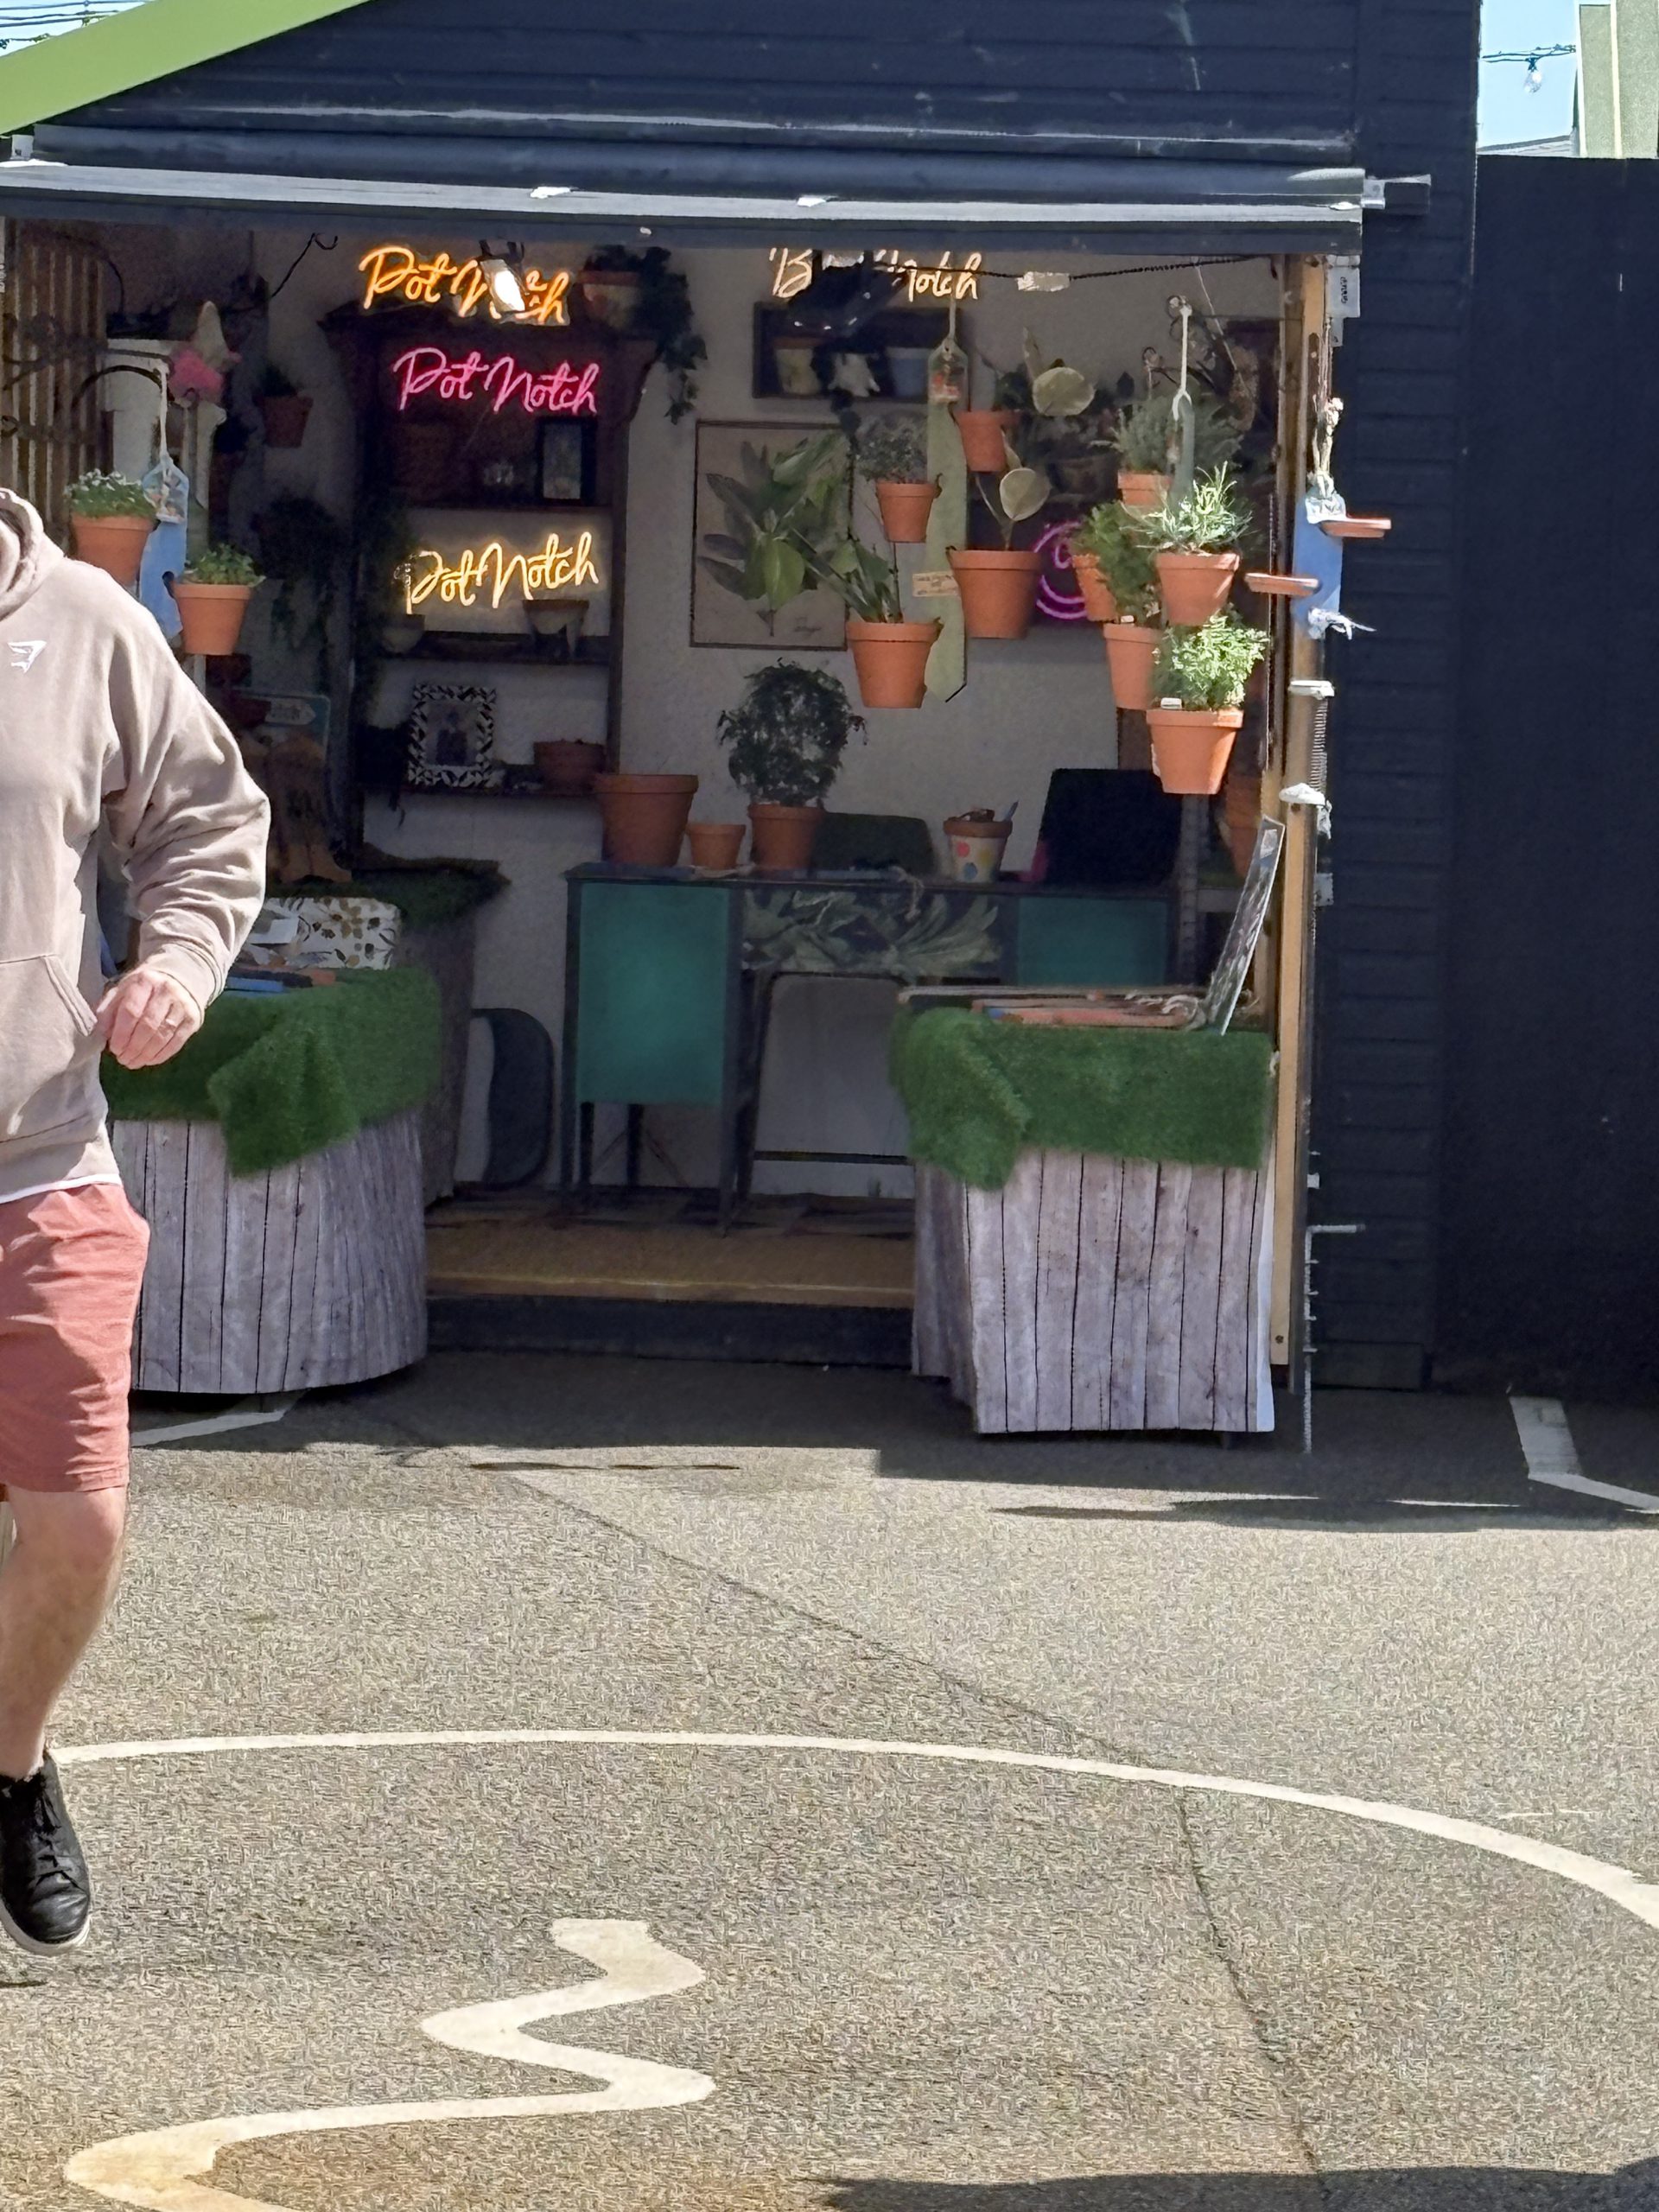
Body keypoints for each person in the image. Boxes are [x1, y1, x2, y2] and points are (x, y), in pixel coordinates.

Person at [0, 487, 269, 1955]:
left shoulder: (82, 620)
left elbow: (211, 818)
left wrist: (177, 960)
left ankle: (9, 1765)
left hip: (38, 1154)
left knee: (79, 1519)